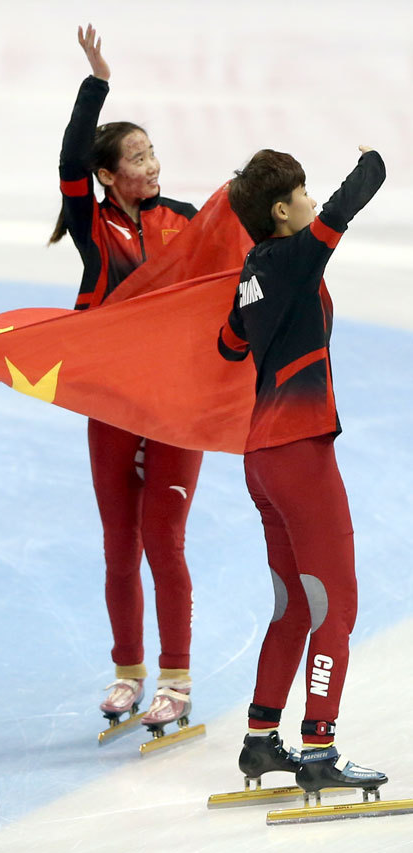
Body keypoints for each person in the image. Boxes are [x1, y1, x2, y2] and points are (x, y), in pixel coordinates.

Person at [218, 146, 388, 794]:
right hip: (298, 453)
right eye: (302, 193)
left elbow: (228, 341)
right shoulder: (293, 256)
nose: (313, 201)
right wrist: (371, 158)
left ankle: (261, 740)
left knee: (293, 605)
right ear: (282, 211)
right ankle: (318, 747)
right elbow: (353, 197)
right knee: (333, 608)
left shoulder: (252, 272)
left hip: (260, 457)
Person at [50, 25, 202, 729]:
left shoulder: (187, 222)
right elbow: (68, 160)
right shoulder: (93, 226)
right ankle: (127, 672)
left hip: (174, 406)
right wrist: (96, 83)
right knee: (118, 545)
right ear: (108, 175)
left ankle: (176, 679)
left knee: (161, 542)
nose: (150, 163)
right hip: (111, 401)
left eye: (151, 151)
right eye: (135, 157)